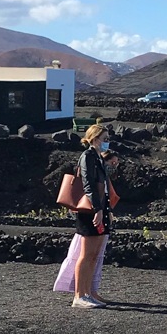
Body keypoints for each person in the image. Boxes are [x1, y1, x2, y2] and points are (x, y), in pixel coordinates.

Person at [72, 122, 113, 309]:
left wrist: (107, 210)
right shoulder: (87, 156)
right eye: (105, 139)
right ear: (95, 139)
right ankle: (79, 295)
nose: (107, 142)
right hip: (89, 210)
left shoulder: (98, 157)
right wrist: (97, 209)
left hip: (100, 209)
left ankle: (88, 292)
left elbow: (104, 188)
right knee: (86, 254)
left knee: (94, 254)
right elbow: (88, 184)